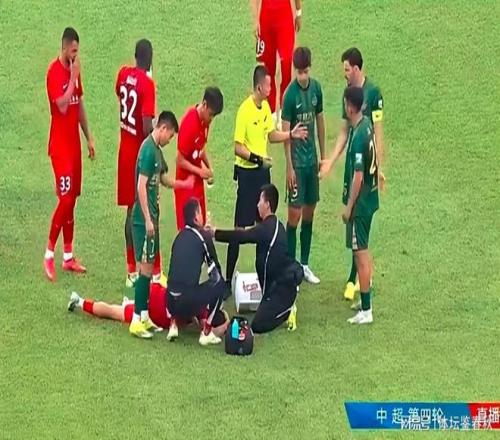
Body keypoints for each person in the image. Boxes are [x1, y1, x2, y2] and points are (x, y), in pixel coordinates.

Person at [226, 65, 307, 293]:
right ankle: (227, 280)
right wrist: (257, 159)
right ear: (259, 87)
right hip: (247, 175)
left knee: (264, 228)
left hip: (263, 175)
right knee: (239, 229)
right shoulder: (245, 111)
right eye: (269, 85)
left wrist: (290, 134)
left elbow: (270, 135)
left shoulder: (265, 108)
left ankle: (265, 277)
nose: (272, 89)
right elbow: (238, 147)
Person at [320, 47, 385, 301]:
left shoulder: (373, 93)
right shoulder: (349, 96)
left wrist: (378, 168)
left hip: (363, 173)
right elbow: (343, 133)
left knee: (358, 229)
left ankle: (356, 278)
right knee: (355, 231)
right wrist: (331, 161)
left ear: (357, 68)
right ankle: (358, 277)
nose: (344, 74)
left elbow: (378, 133)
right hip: (353, 167)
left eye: (347, 69)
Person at [129, 111, 194, 339]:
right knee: (145, 269)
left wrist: (182, 185)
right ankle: (136, 320)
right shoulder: (148, 150)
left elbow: (163, 179)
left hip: (151, 220)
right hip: (142, 221)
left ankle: (144, 315)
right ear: (163, 129)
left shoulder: (156, 151)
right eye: (171, 135)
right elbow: (141, 186)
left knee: (148, 270)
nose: (170, 140)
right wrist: (147, 219)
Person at [211, 184, 303, 334]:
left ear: (267, 204)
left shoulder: (267, 228)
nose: (257, 205)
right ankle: (280, 305)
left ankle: (288, 310)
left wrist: (215, 233)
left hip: (280, 289)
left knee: (258, 326)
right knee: (259, 319)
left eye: (260, 201)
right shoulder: (272, 226)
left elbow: (241, 236)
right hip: (274, 287)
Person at [43, 27, 95, 281]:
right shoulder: (54, 72)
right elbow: (62, 106)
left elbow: (78, 103)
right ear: (64, 47)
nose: (75, 55)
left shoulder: (75, 71)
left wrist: (89, 137)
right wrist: (73, 78)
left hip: (74, 147)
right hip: (60, 149)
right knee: (64, 200)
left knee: (72, 199)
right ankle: (49, 254)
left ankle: (68, 257)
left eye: (77, 51)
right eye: (72, 51)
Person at [115, 39, 161, 288]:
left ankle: (130, 269)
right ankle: (151, 270)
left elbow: (121, 93)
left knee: (130, 210)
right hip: (139, 155)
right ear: (150, 59)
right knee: (147, 210)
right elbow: (145, 126)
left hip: (124, 151)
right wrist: (156, 135)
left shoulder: (123, 74)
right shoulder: (148, 84)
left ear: (135, 56)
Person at [282, 47, 325, 284]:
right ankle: (290, 269)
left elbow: (320, 122)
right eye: (299, 72)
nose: (302, 76)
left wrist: (323, 156)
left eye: (305, 71)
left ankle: (305, 264)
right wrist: (289, 167)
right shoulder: (289, 95)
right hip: (297, 164)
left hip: (311, 163)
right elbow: (286, 135)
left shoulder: (316, 89)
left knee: (309, 211)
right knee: (294, 215)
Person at [340, 87, 379, 324]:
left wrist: (349, 207)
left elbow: (358, 177)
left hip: (361, 204)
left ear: (349, 106)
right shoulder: (366, 126)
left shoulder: (357, 138)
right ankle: (365, 297)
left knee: (360, 253)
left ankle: (366, 310)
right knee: (362, 252)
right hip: (371, 198)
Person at [166, 198, 226, 346]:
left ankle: (173, 324)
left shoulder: (179, 237)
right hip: (186, 302)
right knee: (220, 283)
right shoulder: (203, 237)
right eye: (200, 212)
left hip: (169, 302)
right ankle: (206, 332)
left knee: (181, 283)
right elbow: (215, 271)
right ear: (196, 218)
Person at [67, 284, 229, 338]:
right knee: (114, 312)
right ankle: (80, 301)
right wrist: (227, 323)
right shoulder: (201, 312)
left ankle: (80, 301)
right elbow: (208, 332)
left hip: (156, 293)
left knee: (116, 310)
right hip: (154, 312)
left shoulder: (196, 292)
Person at [174, 87, 224, 230]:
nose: (211, 119)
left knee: (200, 224)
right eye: (211, 114)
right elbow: (179, 160)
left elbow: (200, 149)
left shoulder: (205, 123)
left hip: (197, 182)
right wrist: (200, 171)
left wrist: (208, 167)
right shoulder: (189, 124)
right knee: (188, 228)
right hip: (185, 184)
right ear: (204, 104)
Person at [251, 0, 303, 123]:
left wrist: (298, 12)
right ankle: (272, 110)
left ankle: (285, 108)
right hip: (266, 18)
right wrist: (255, 21)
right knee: (269, 67)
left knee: (286, 63)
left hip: (284, 18)